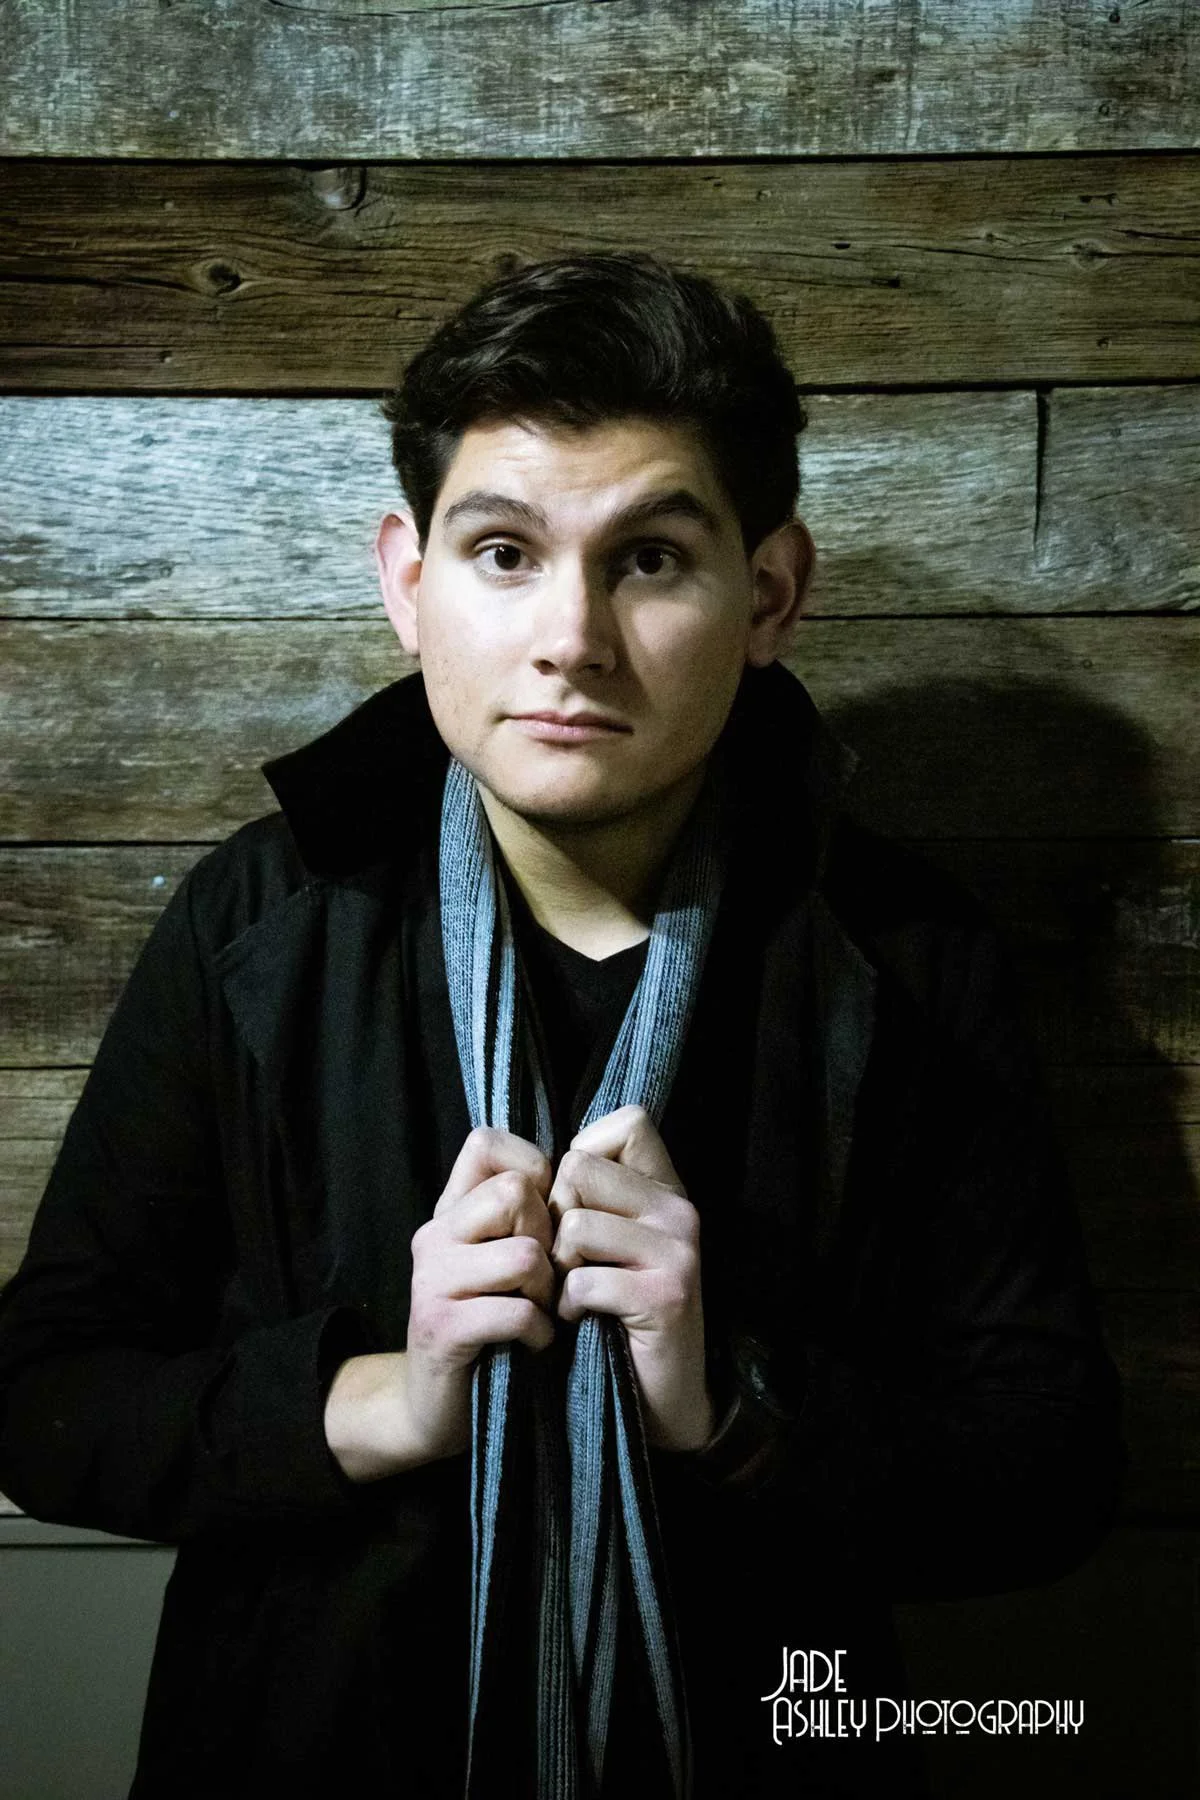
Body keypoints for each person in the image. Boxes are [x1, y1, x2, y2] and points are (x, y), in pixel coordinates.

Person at [0, 251, 1124, 1800]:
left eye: (652, 559)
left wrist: (731, 1405)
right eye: (506, 552)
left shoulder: (902, 959)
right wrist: (383, 1398)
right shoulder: (261, 925)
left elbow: (1049, 1471)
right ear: (409, 581)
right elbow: (45, 1399)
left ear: (771, 593)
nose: (573, 637)